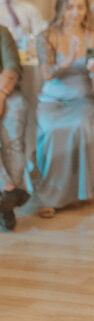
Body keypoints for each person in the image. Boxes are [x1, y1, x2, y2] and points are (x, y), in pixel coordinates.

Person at [35, 0, 94, 218]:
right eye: (70, 7)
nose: (75, 12)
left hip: (81, 99)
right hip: (52, 98)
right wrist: (68, 62)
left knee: (78, 126)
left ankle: (73, 192)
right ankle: (50, 197)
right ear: (61, 8)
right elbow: (46, 74)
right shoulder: (47, 35)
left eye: (80, 7)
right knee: (53, 129)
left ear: (87, 9)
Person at [0, 26, 30, 231]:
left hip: (6, 92)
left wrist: (1, 94)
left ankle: (7, 198)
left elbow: (12, 66)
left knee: (13, 138)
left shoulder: (1, 32)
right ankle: (8, 190)